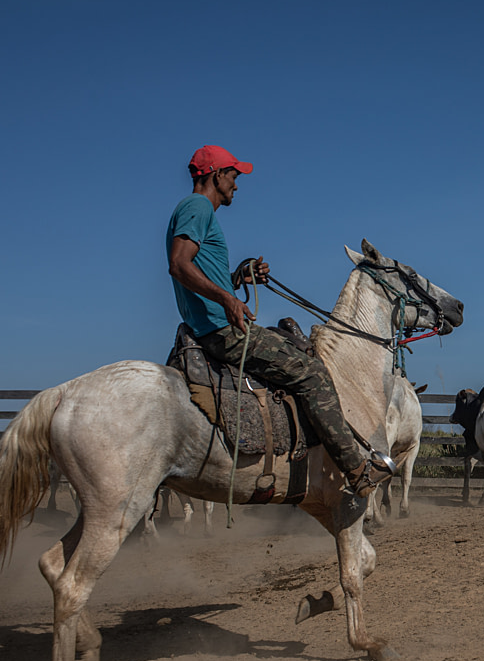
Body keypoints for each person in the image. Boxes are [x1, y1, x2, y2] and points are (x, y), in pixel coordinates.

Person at [166, 144, 392, 498]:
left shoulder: (195, 212)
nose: (237, 185)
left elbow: (197, 268)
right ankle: (357, 470)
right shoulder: (197, 208)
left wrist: (238, 278)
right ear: (216, 175)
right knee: (313, 373)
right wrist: (227, 298)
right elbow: (180, 264)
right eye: (234, 176)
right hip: (222, 331)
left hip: (210, 324)